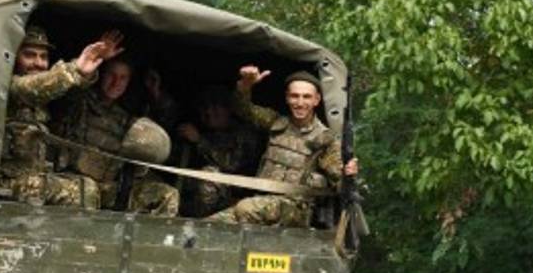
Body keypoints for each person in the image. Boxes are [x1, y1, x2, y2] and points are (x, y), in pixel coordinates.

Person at [207, 67, 357, 227]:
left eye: (306, 97)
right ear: (287, 98)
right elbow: (244, 110)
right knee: (209, 227)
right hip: (261, 203)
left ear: (317, 100)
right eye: (295, 96)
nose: (300, 103)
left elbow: (341, 182)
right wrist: (245, 87)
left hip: (295, 210)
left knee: (245, 208)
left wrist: (348, 174)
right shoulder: (276, 123)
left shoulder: (325, 139)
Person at [0, 25, 122, 208]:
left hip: (32, 179)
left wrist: (89, 68)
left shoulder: (43, 100)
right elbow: (33, 87)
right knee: (83, 192)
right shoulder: (9, 85)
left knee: (88, 187)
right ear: (14, 58)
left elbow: (67, 92)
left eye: (43, 57)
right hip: (4, 182)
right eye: (29, 55)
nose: (38, 63)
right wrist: (75, 68)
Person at [52, 56, 179, 216]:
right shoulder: (79, 101)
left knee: (167, 194)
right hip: (73, 181)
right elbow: (69, 87)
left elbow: (156, 138)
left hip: (109, 189)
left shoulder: (125, 117)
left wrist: (156, 96)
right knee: (88, 191)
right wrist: (86, 67)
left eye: (123, 78)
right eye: (111, 75)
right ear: (100, 75)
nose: (116, 82)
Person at [176, 86, 262, 217]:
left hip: (234, 197)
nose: (209, 112)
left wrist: (199, 140)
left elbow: (231, 164)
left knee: (209, 175)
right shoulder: (204, 130)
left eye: (215, 107)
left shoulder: (244, 134)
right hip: (197, 196)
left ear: (228, 110)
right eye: (204, 107)